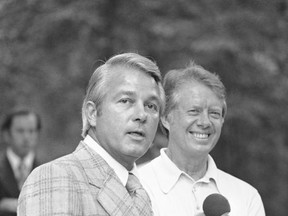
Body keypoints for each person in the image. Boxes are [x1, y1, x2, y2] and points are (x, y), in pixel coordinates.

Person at [17, 52, 165, 216]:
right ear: (92, 113)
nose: (142, 115)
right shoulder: (56, 177)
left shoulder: (143, 191)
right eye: (126, 101)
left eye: (151, 106)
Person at [139, 63, 266, 216]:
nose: (205, 122)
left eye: (214, 113)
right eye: (194, 111)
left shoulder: (247, 198)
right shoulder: (136, 187)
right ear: (165, 118)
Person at [0, 108, 42, 216]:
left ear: (37, 135)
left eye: (31, 131)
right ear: (6, 134)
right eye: (20, 131)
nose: (26, 137)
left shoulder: (48, 169)